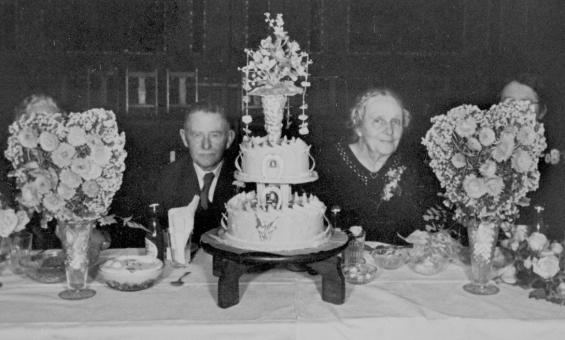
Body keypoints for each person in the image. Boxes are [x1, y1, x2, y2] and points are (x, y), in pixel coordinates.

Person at [313, 88, 436, 244]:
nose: (389, 131)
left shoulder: (412, 165)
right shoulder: (328, 163)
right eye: (378, 121)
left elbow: (423, 225)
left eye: (396, 122)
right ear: (358, 127)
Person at [154, 102, 236, 245]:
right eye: (197, 135)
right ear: (185, 138)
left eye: (215, 135)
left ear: (229, 138)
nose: (206, 145)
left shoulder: (247, 182)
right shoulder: (164, 179)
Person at [498, 74, 565, 240]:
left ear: (542, 111)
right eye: (509, 102)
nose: (517, 108)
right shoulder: (480, 150)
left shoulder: (554, 156)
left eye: (526, 102)